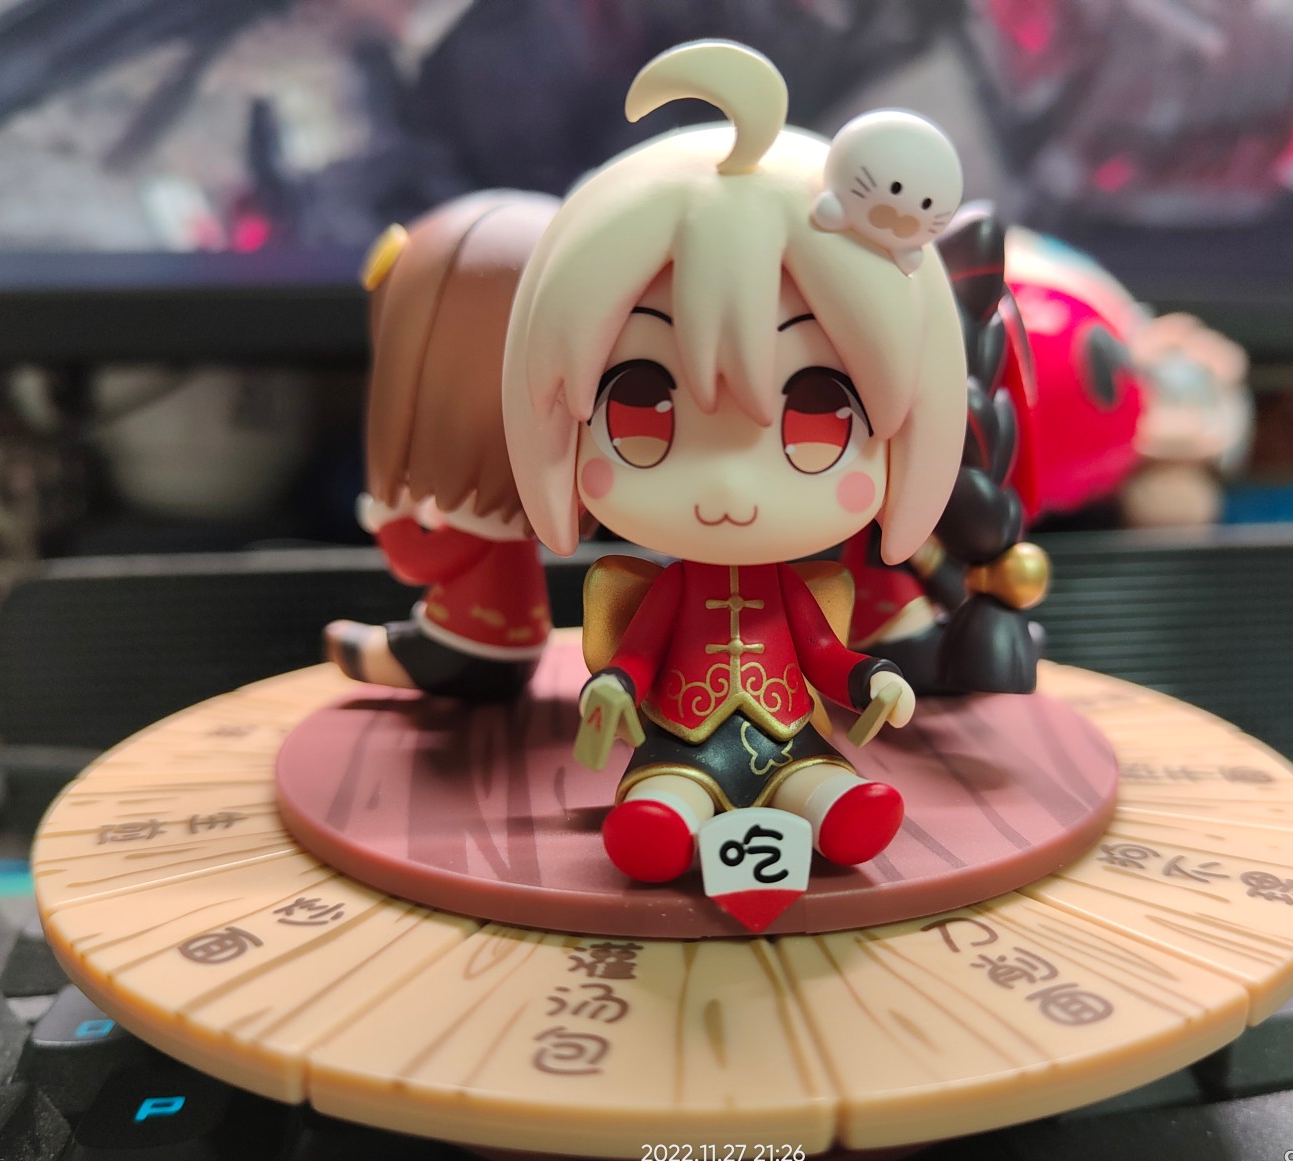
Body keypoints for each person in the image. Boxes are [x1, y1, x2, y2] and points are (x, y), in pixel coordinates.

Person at [501, 41, 967, 883]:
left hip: (789, 737)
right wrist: (613, 687)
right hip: (683, 742)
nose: (727, 488)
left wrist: (874, 680)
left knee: (822, 782)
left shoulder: (792, 593)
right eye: (640, 408)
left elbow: (823, 656)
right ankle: (663, 821)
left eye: (819, 417)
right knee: (669, 795)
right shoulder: (674, 590)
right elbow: (638, 656)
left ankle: (834, 810)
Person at [325, 191, 560, 701]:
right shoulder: (514, 524)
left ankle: (369, 654)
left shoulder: (482, 522)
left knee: (374, 649)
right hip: (520, 641)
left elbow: (413, 563)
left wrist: (389, 517)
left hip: (465, 646)